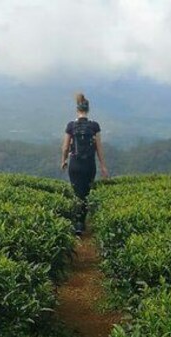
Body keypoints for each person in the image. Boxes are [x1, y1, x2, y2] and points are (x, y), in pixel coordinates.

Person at [61, 92, 109, 235]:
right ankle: (82, 223)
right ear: (88, 110)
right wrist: (103, 166)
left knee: (77, 193)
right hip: (89, 165)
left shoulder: (71, 125)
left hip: (75, 164)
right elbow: (99, 147)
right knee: (86, 193)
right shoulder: (94, 126)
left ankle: (77, 224)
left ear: (77, 110)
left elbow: (65, 147)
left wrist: (63, 160)